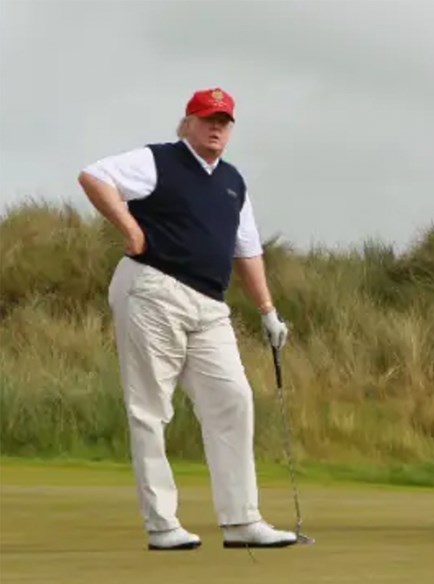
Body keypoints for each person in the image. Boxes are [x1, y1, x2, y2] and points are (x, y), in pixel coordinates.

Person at [78, 87, 298, 550]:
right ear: (187, 123)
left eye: (223, 121)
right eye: (206, 118)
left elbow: (248, 250)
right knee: (150, 409)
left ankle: (241, 521)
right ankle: (162, 525)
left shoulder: (233, 182)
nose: (216, 127)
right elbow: (94, 176)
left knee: (233, 400)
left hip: (211, 305)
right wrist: (132, 229)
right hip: (153, 288)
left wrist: (268, 312)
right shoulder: (158, 160)